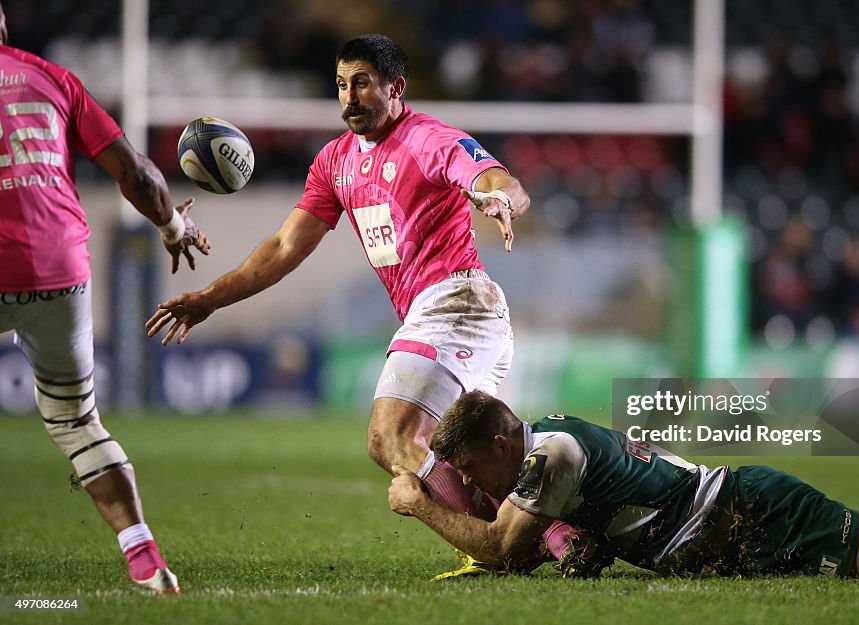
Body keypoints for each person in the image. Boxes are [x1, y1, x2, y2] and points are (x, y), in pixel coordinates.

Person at [144, 33, 579, 578]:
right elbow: (284, 247)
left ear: (396, 88)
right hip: (445, 314)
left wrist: (496, 198)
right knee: (466, 452)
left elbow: (499, 180)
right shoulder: (335, 162)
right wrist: (210, 299)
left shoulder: (427, 139)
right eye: (342, 85)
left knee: (388, 436)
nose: (349, 97)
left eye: (363, 84)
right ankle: (564, 536)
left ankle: (500, 545)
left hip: (458, 302)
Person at [0, 2, 211, 594]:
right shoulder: (49, 76)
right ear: (3, 27)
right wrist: (174, 227)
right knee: (75, 420)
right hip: (57, 267)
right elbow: (138, 174)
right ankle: (145, 559)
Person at [388, 390, 859, 580]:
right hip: (738, 524)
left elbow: (500, 546)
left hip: (757, 514)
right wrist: (595, 543)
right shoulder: (548, 440)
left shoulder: (548, 457)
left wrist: (420, 504)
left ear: (500, 443)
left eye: (470, 467)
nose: (471, 482)